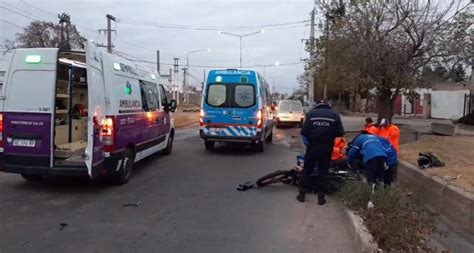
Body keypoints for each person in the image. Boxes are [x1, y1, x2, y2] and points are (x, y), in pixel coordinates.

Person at [299, 100, 344, 205]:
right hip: (326, 148)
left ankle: (302, 195)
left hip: (312, 147)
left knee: (307, 170)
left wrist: (312, 136)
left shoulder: (311, 114)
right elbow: (340, 132)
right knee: (323, 172)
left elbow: (304, 132)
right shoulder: (334, 115)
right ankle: (321, 198)